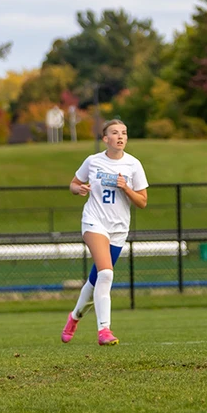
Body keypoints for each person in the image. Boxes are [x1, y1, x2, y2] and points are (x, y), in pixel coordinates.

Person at [60, 119, 149, 346]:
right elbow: (73, 183)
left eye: (124, 133)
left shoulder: (133, 165)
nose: (120, 136)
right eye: (115, 133)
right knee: (107, 274)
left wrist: (126, 187)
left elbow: (142, 202)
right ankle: (104, 330)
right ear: (105, 139)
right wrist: (78, 189)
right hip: (94, 222)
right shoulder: (93, 161)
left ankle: (74, 317)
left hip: (118, 229)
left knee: (95, 279)